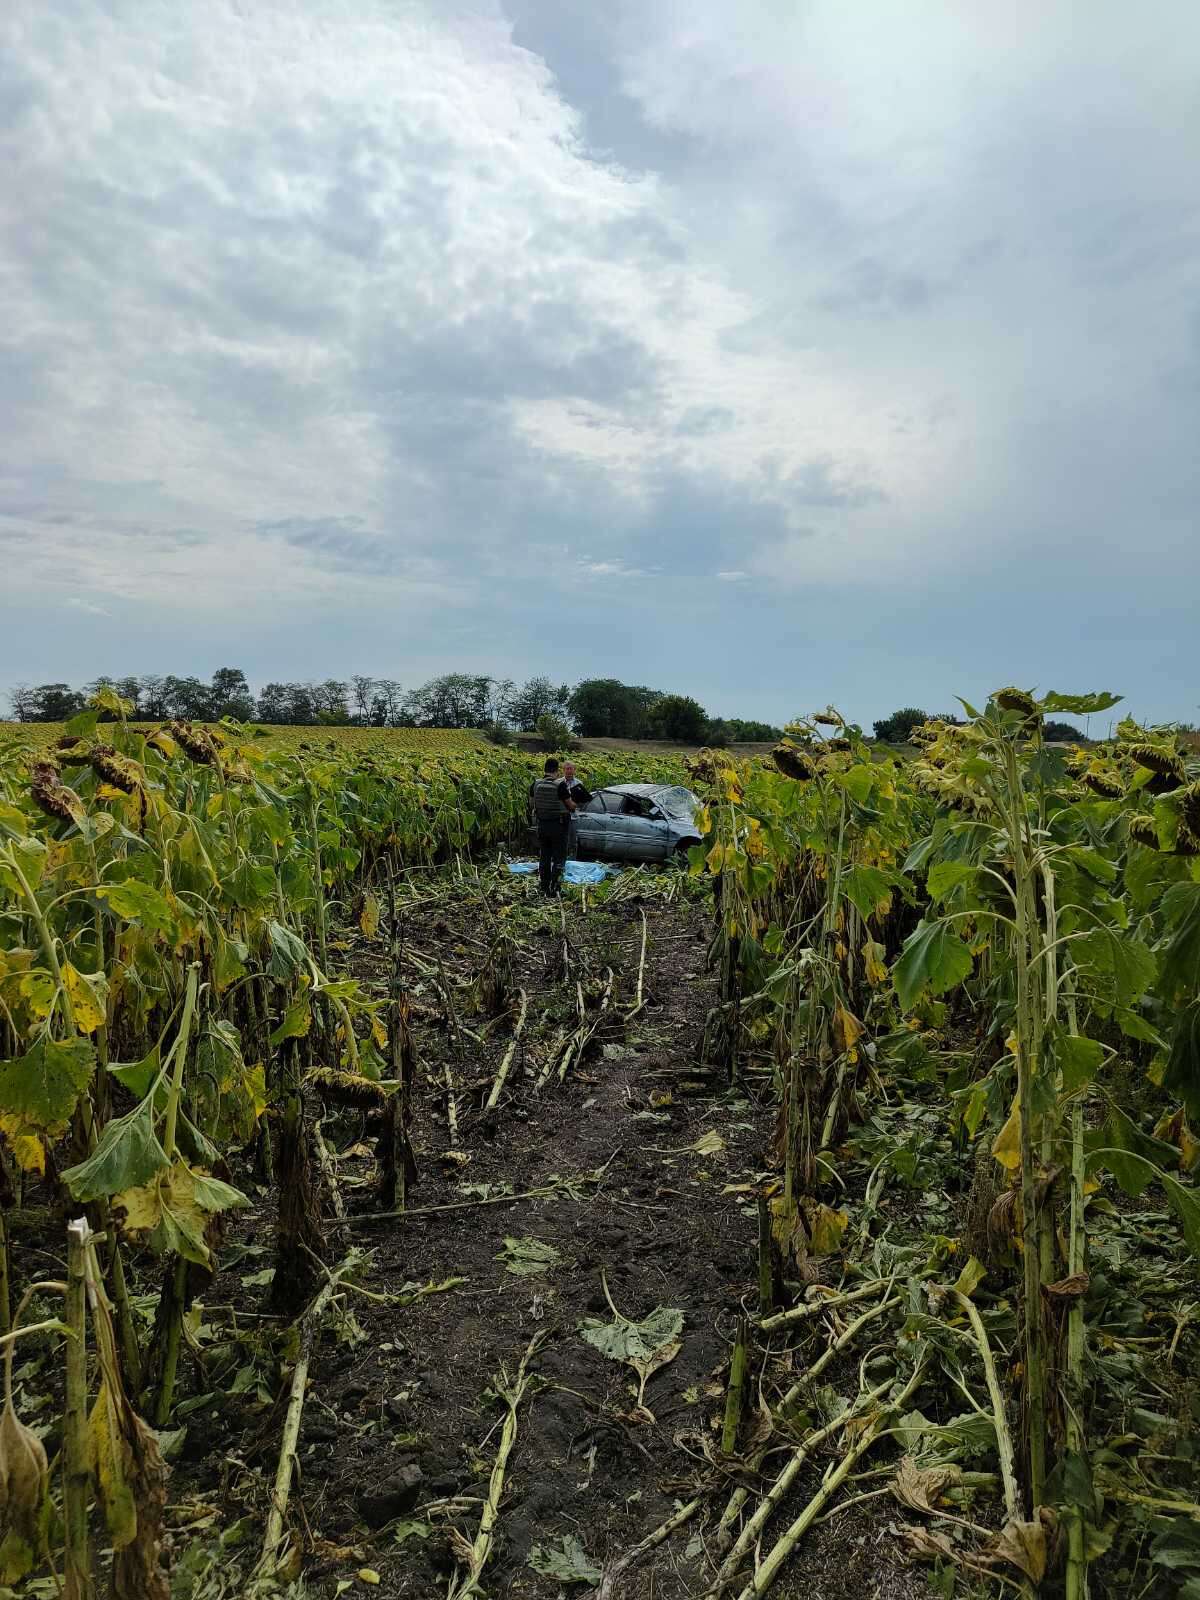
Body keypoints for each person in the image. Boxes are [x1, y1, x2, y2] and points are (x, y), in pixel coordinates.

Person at [529, 756, 576, 895]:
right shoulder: (560, 785)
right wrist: (577, 802)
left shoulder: (535, 784)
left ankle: (543, 887)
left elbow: (531, 804)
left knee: (544, 856)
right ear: (557, 770)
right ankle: (555, 888)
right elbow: (571, 806)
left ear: (544, 769)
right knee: (559, 858)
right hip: (559, 826)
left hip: (542, 825)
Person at [562, 761, 592, 858]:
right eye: (567, 769)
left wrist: (576, 803)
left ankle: (572, 859)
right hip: (562, 815)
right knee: (562, 839)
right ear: (564, 770)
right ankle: (562, 859)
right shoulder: (559, 783)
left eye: (571, 769)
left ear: (574, 771)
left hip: (574, 815)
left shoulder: (579, 783)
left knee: (573, 840)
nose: (569, 772)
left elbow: (584, 800)